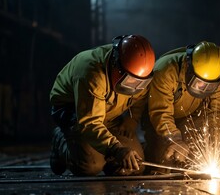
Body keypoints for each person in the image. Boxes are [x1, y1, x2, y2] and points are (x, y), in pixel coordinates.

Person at [49, 35, 155, 176]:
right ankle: (60, 142)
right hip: (75, 113)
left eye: (140, 83)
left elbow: (141, 96)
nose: (135, 87)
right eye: (131, 81)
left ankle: (107, 158)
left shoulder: (139, 74)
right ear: (117, 67)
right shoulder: (91, 72)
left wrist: (132, 120)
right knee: (90, 166)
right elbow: (90, 122)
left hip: (108, 115)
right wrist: (116, 149)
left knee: (134, 165)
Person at [143, 41, 220, 171]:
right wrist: (174, 139)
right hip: (158, 121)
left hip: (190, 117)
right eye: (199, 83)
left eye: (209, 86)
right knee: (164, 162)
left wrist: (214, 141)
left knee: (197, 155)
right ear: (189, 67)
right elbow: (160, 112)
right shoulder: (165, 70)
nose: (203, 89)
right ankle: (149, 148)